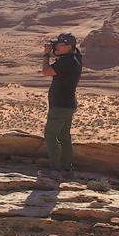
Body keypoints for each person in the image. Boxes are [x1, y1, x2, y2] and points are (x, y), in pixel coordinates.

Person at [37, 32, 82, 181]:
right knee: (64, 137)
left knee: (50, 135)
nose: (56, 47)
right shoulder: (75, 58)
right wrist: (56, 51)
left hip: (60, 105)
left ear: (68, 46)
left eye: (59, 45)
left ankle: (55, 170)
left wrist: (46, 54)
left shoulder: (66, 62)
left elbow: (46, 71)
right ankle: (67, 170)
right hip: (68, 104)